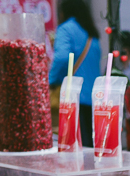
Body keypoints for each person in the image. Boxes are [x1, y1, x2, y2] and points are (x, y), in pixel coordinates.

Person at [49, 0, 102, 148]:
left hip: (75, 96)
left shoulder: (66, 29)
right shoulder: (92, 33)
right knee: (92, 145)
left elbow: (61, 57)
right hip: (94, 98)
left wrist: (51, 80)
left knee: (76, 145)